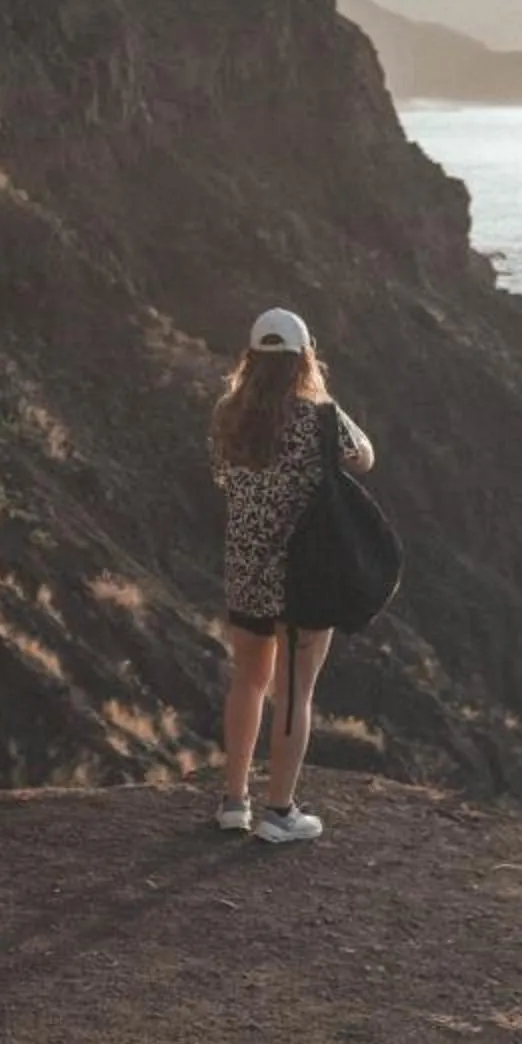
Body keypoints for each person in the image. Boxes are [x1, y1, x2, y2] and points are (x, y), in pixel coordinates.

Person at [209, 308, 376, 844]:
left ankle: (234, 802)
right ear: (304, 356)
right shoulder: (319, 415)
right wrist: (322, 398)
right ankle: (280, 812)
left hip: (246, 567)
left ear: (251, 358)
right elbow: (365, 458)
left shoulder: (228, 413)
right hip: (304, 569)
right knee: (295, 690)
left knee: (248, 681)